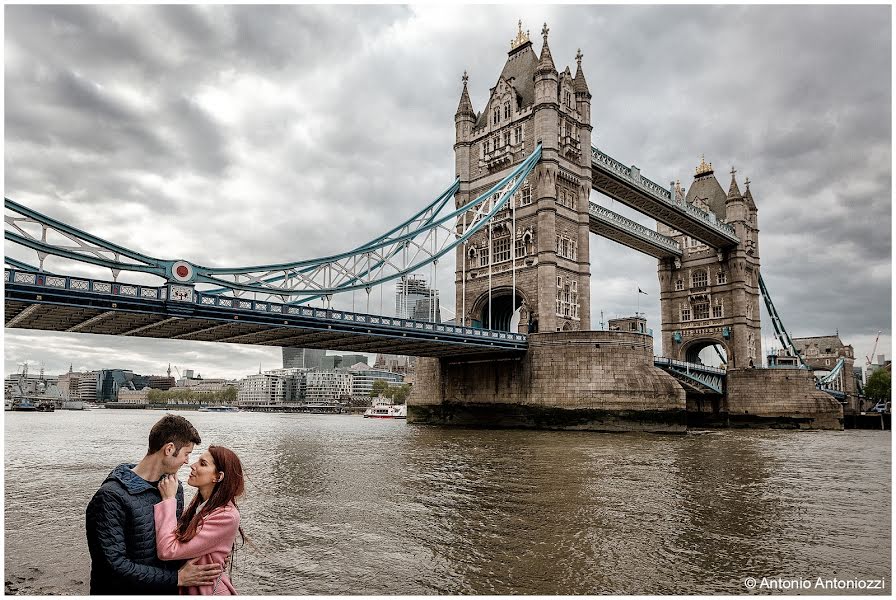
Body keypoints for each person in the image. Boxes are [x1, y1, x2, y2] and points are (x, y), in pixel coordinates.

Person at [86, 414, 223, 594]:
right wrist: (177, 578)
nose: (187, 461)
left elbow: (173, 543)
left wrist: (208, 556)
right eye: (186, 454)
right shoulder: (110, 497)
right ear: (169, 449)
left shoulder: (174, 489)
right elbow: (114, 566)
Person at [155, 446, 246, 595]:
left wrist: (169, 500)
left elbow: (168, 550)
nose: (193, 465)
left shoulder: (227, 515)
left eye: (202, 464)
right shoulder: (201, 506)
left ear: (218, 477)